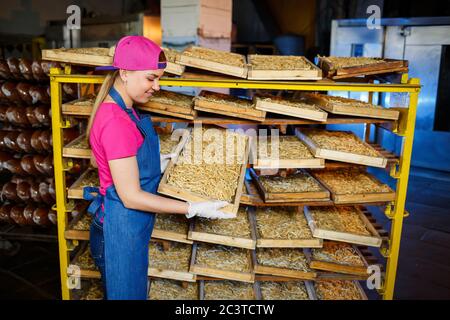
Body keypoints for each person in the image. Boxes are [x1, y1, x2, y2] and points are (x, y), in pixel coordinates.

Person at [83, 35, 232, 300]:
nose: (157, 87)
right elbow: (130, 196)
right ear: (125, 73)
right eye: (151, 78)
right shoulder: (116, 120)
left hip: (125, 226)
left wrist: (155, 162)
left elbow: (101, 159)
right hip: (118, 229)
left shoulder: (123, 110)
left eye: (159, 78)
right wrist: (191, 208)